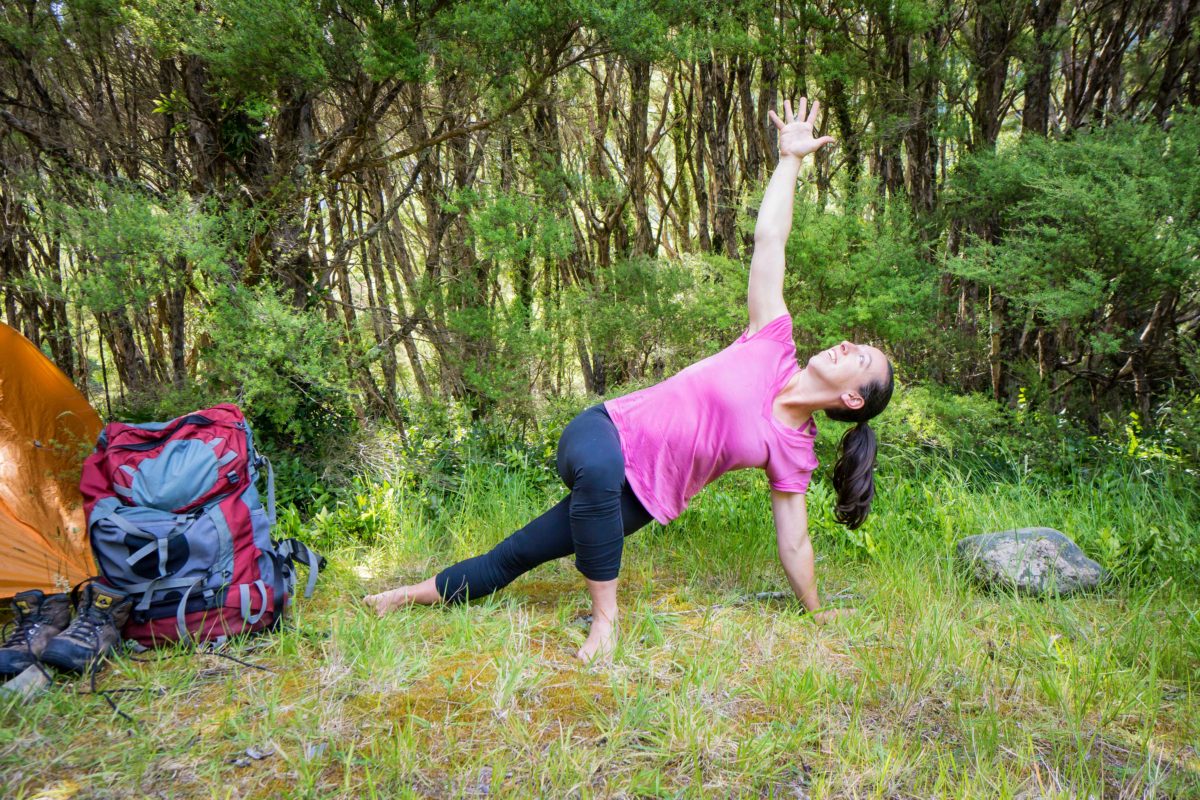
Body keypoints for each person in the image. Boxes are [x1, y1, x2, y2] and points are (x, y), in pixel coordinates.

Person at [365, 97, 894, 663]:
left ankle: (402, 597)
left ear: (851, 398)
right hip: (603, 435)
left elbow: (794, 539)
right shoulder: (772, 341)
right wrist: (789, 160)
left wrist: (815, 610)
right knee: (597, 472)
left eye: (858, 356)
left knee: (517, 554)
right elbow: (771, 242)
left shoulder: (794, 449)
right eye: (854, 342)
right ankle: (606, 623)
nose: (845, 344)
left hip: (643, 499)